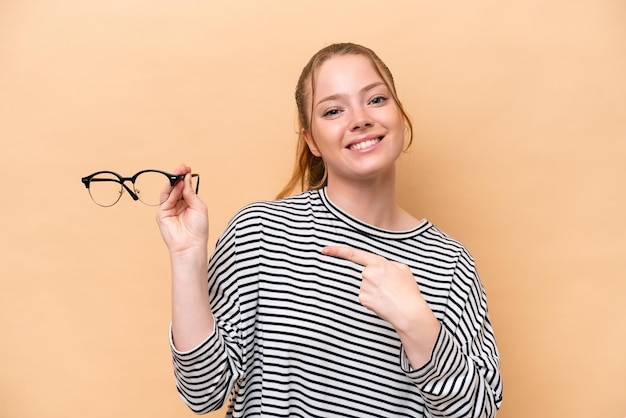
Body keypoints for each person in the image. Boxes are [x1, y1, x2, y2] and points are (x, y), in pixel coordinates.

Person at [156, 42, 503, 417]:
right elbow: (202, 391)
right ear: (311, 141)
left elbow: (477, 411)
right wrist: (187, 258)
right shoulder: (260, 233)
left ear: (400, 115)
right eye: (333, 110)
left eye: (375, 100)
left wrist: (417, 322)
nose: (359, 119)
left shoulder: (450, 262)